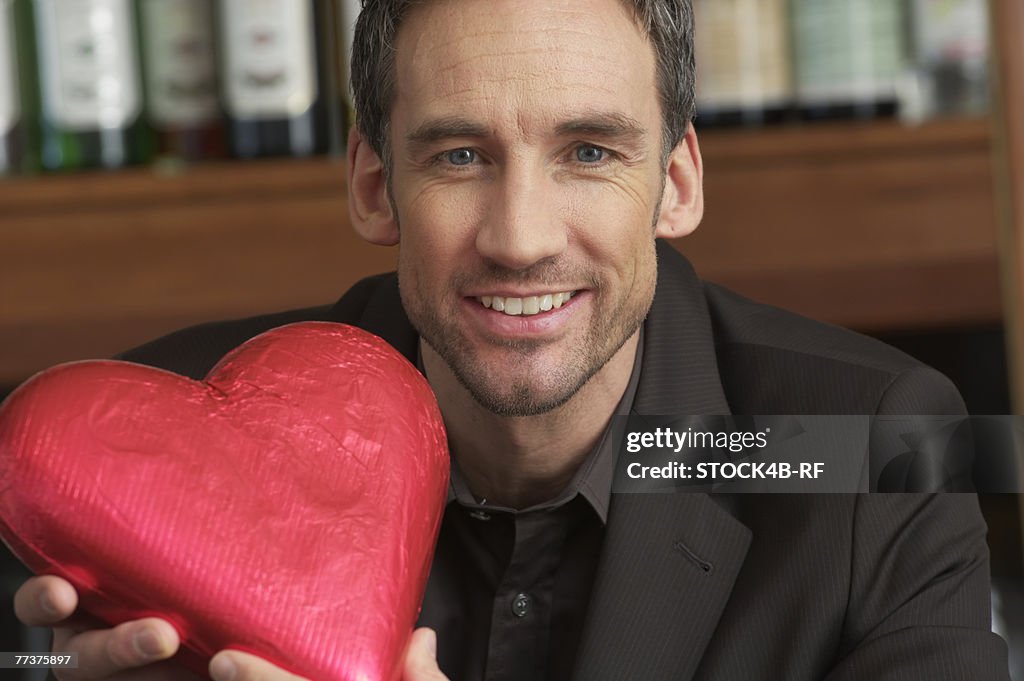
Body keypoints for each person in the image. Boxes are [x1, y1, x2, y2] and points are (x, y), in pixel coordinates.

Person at [12, 0, 1012, 679]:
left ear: (675, 183)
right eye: (458, 155)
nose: (522, 238)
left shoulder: (883, 441)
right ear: (373, 187)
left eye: (587, 151)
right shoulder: (118, 459)